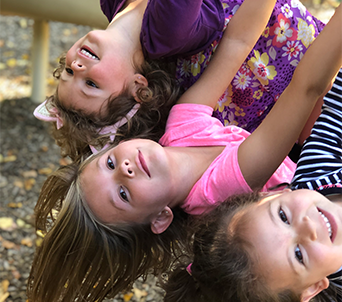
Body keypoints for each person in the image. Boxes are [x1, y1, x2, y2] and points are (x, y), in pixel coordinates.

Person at [27, 1, 342, 301]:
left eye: (109, 163)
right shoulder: (222, 192)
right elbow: (302, 92)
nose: (124, 170)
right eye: (124, 194)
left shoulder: (179, 129)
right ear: (160, 219)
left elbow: (237, 42)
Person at [34, 0, 325, 160]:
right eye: (91, 85)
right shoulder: (167, 30)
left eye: (69, 73)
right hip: (311, 87)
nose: (77, 65)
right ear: (138, 87)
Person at [162, 70, 342, 302]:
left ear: (275, 194)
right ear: (312, 288)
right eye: (298, 255)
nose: (307, 226)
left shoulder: (317, 170)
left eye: (284, 216)